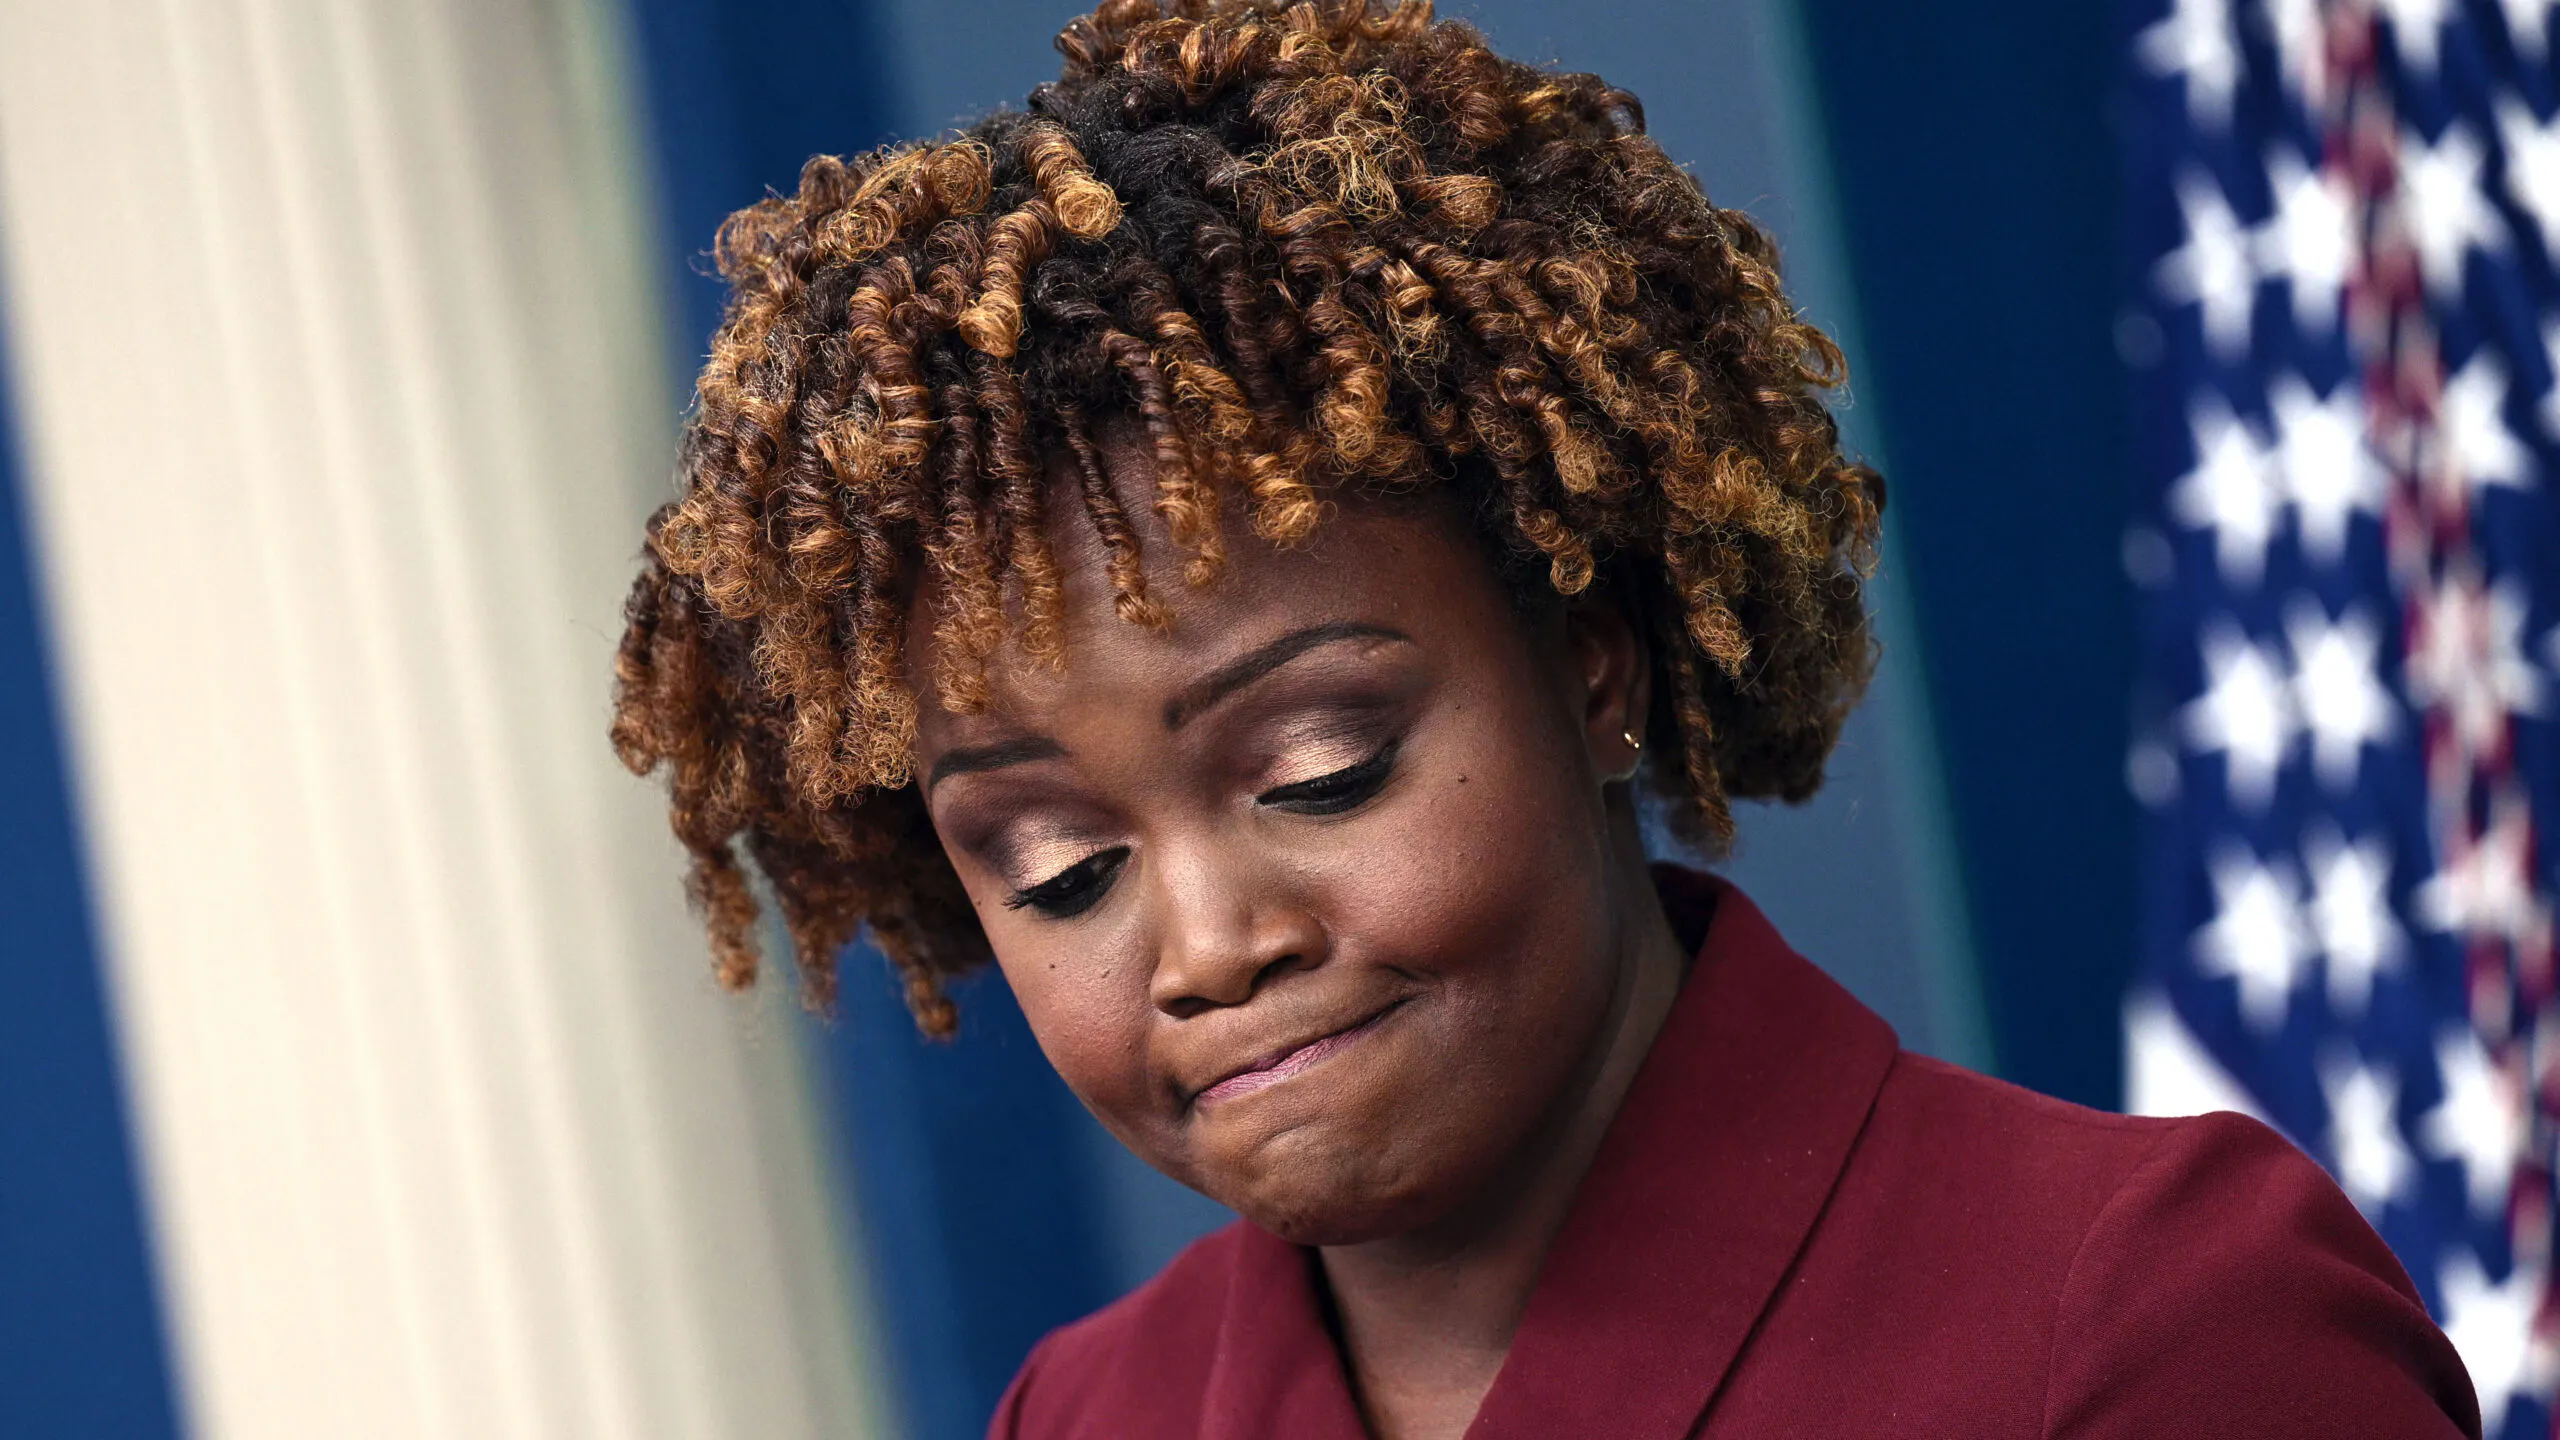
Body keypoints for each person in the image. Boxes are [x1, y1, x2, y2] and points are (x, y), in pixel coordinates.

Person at [607, 2, 2483, 1435]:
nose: (1210, 945)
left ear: (1592, 663)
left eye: (1322, 769)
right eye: (1058, 868)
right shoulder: (1091, 1416)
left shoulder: (2148, 1323)